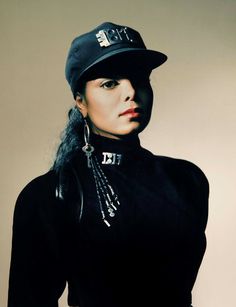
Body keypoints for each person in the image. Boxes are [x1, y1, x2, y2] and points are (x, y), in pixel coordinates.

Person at [8, 22, 209, 307]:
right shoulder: (52, 194)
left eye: (139, 78)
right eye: (109, 83)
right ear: (81, 101)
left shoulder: (188, 180)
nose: (130, 91)